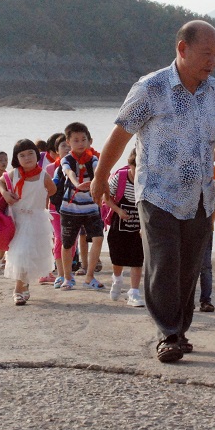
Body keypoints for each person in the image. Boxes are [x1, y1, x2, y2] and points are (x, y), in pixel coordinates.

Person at [91, 20, 215, 363]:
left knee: (188, 268)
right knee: (163, 263)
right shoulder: (150, 88)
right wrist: (101, 178)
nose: (212, 62)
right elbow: (121, 135)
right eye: (206, 54)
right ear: (182, 49)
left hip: (201, 196)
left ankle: (180, 330)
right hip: (156, 194)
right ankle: (167, 334)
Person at [0, 139, 56, 305]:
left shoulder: (43, 176)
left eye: (31, 153)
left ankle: (24, 285)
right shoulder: (14, 173)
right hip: (17, 219)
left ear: (37, 154)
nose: (27, 157)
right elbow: (1, 181)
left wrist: (41, 202)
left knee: (30, 254)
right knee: (20, 253)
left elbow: (52, 190)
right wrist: (5, 193)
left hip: (36, 219)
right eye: (22, 155)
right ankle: (19, 288)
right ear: (17, 158)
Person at [58, 123, 106, 291]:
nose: (80, 143)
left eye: (83, 139)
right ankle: (67, 277)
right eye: (76, 140)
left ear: (88, 141)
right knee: (67, 244)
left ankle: (89, 276)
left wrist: (96, 183)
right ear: (68, 142)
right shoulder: (67, 159)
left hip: (91, 207)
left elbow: (98, 171)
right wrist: (77, 184)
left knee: (98, 238)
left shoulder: (93, 159)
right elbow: (68, 173)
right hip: (70, 207)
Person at [104, 148, 145, 307]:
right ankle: (117, 279)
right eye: (135, 169)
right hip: (119, 225)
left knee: (137, 259)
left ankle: (134, 292)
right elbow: (105, 197)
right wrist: (118, 210)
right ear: (130, 166)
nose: (137, 174)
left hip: (139, 227)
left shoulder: (148, 180)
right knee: (117, 257)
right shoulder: (119, 178)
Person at [40, 136, 68, 286]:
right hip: (54, 210)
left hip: (72, 209)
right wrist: (44, 210)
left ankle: (66, 274)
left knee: (70, 242)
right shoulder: (50, 169)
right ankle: (61, 274)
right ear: (56, 151)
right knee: (59, 239)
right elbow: (45, 191)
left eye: (69, 145)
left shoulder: (81, 166)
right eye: (64, 146)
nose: (68, 148)